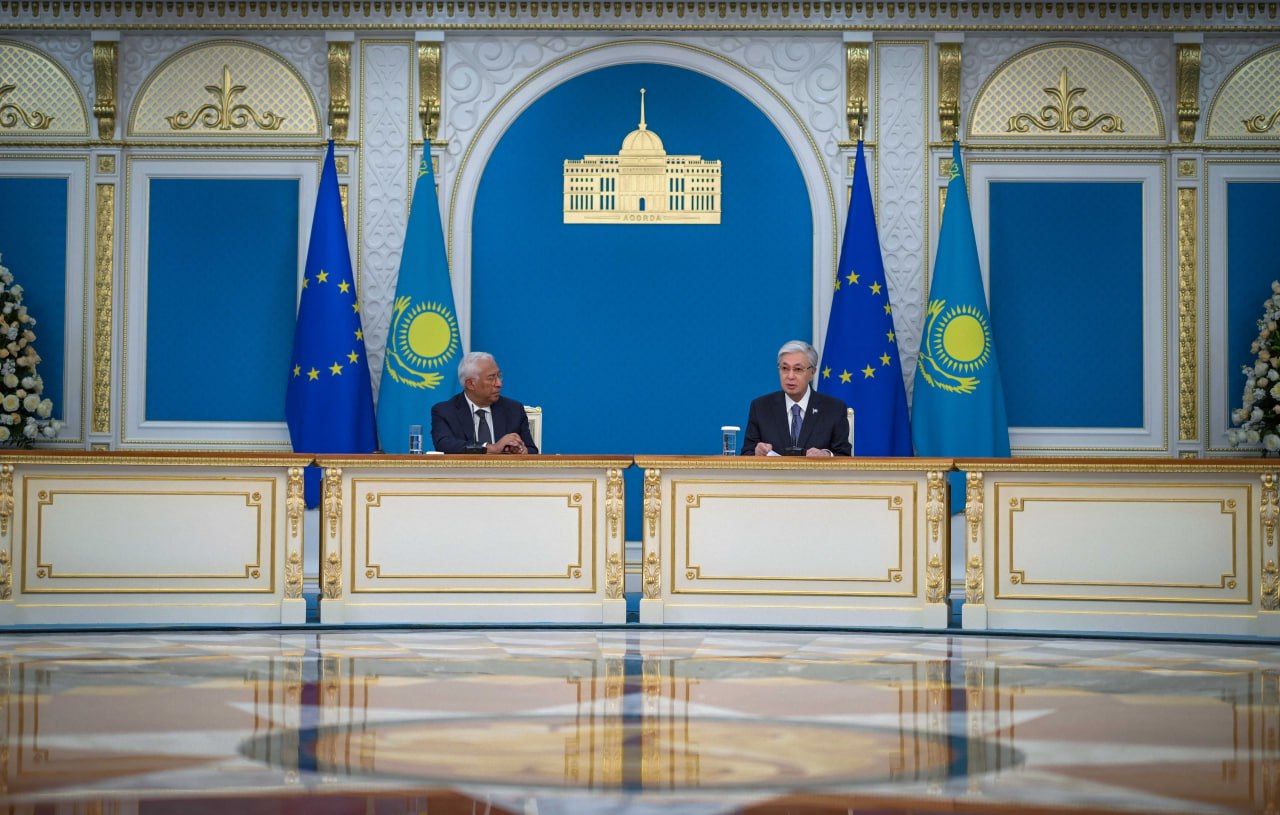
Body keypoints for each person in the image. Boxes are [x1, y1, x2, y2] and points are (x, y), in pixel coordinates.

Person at [742, 340, 851, 457]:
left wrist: (827, 455)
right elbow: (746, 453)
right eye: (785, 368)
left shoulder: (834, 409)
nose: (790, 376)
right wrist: (756, 453)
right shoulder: (761, 407)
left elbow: (844, 455)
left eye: (798, 369)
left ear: (812, 372)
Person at [430, 352, 539, 454]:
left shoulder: (514, 410)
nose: (499, 384)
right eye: (491, 378)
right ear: (470, 384)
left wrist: (522, 450)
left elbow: (532, 450)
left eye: (499, 376)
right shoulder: (445, 411)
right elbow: (444, 445)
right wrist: (491, 448)